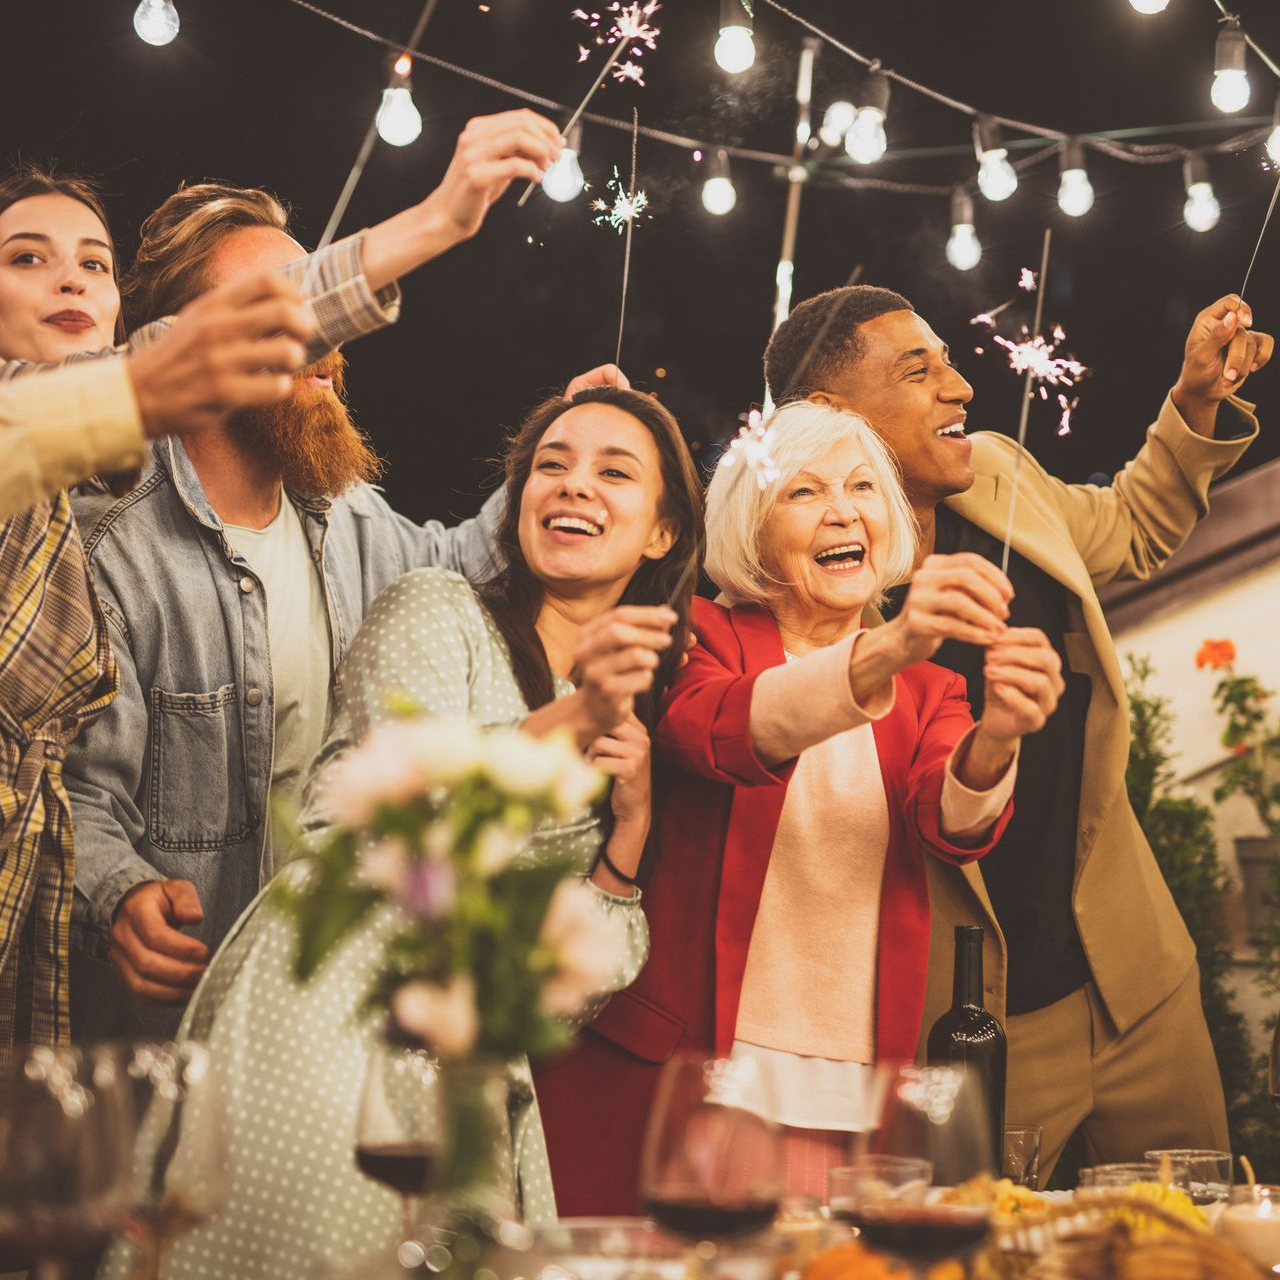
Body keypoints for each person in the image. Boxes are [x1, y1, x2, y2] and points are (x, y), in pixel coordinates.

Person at [62, 109, 630, 1042]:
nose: (326, 334)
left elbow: (455, 567)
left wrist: (559, 455)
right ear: (189, 344)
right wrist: (118, 894)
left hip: (330, 1020)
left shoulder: (348, 514)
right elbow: (76, 791)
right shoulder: (110, 545)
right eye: (292, 302)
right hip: (179, 1036)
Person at [142, 384, 703, 1278]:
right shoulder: (440, 608)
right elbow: (373, 823)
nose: (572, 486)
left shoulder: (636, 718)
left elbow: (559, 991)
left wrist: (627, 837)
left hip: (464, 1068)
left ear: (663, 531)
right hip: (327, 1018)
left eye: (613, 471)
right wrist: (569, 723)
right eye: (549, 467)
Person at [758, 283, 1274, 1178]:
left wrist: (1194, 404)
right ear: (829, 413)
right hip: (959, 1021)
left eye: (950, 361)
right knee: (975, 1255)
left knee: (1193, 1247)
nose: (960, 388)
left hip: (1131, 980)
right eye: (921, 372)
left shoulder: (998, 472)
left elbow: (1131, 527)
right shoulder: (799, 576)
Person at [536, 401, 1064, 1210]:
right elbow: (717, 730)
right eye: (806, 492)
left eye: (860, 487)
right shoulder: (699, 634)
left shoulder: (933, 688)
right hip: (695, 1076)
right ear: (751, 525)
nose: (843, 509)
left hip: (851, 1085)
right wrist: (885, 648)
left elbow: (955, 824)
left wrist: (999, 737)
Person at [0, 164, 320, 1059]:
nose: (70, 278)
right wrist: (434, 222)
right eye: (28, 257)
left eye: (95, 264)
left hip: (41, 983)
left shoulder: (86, 502)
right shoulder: (100, 528)